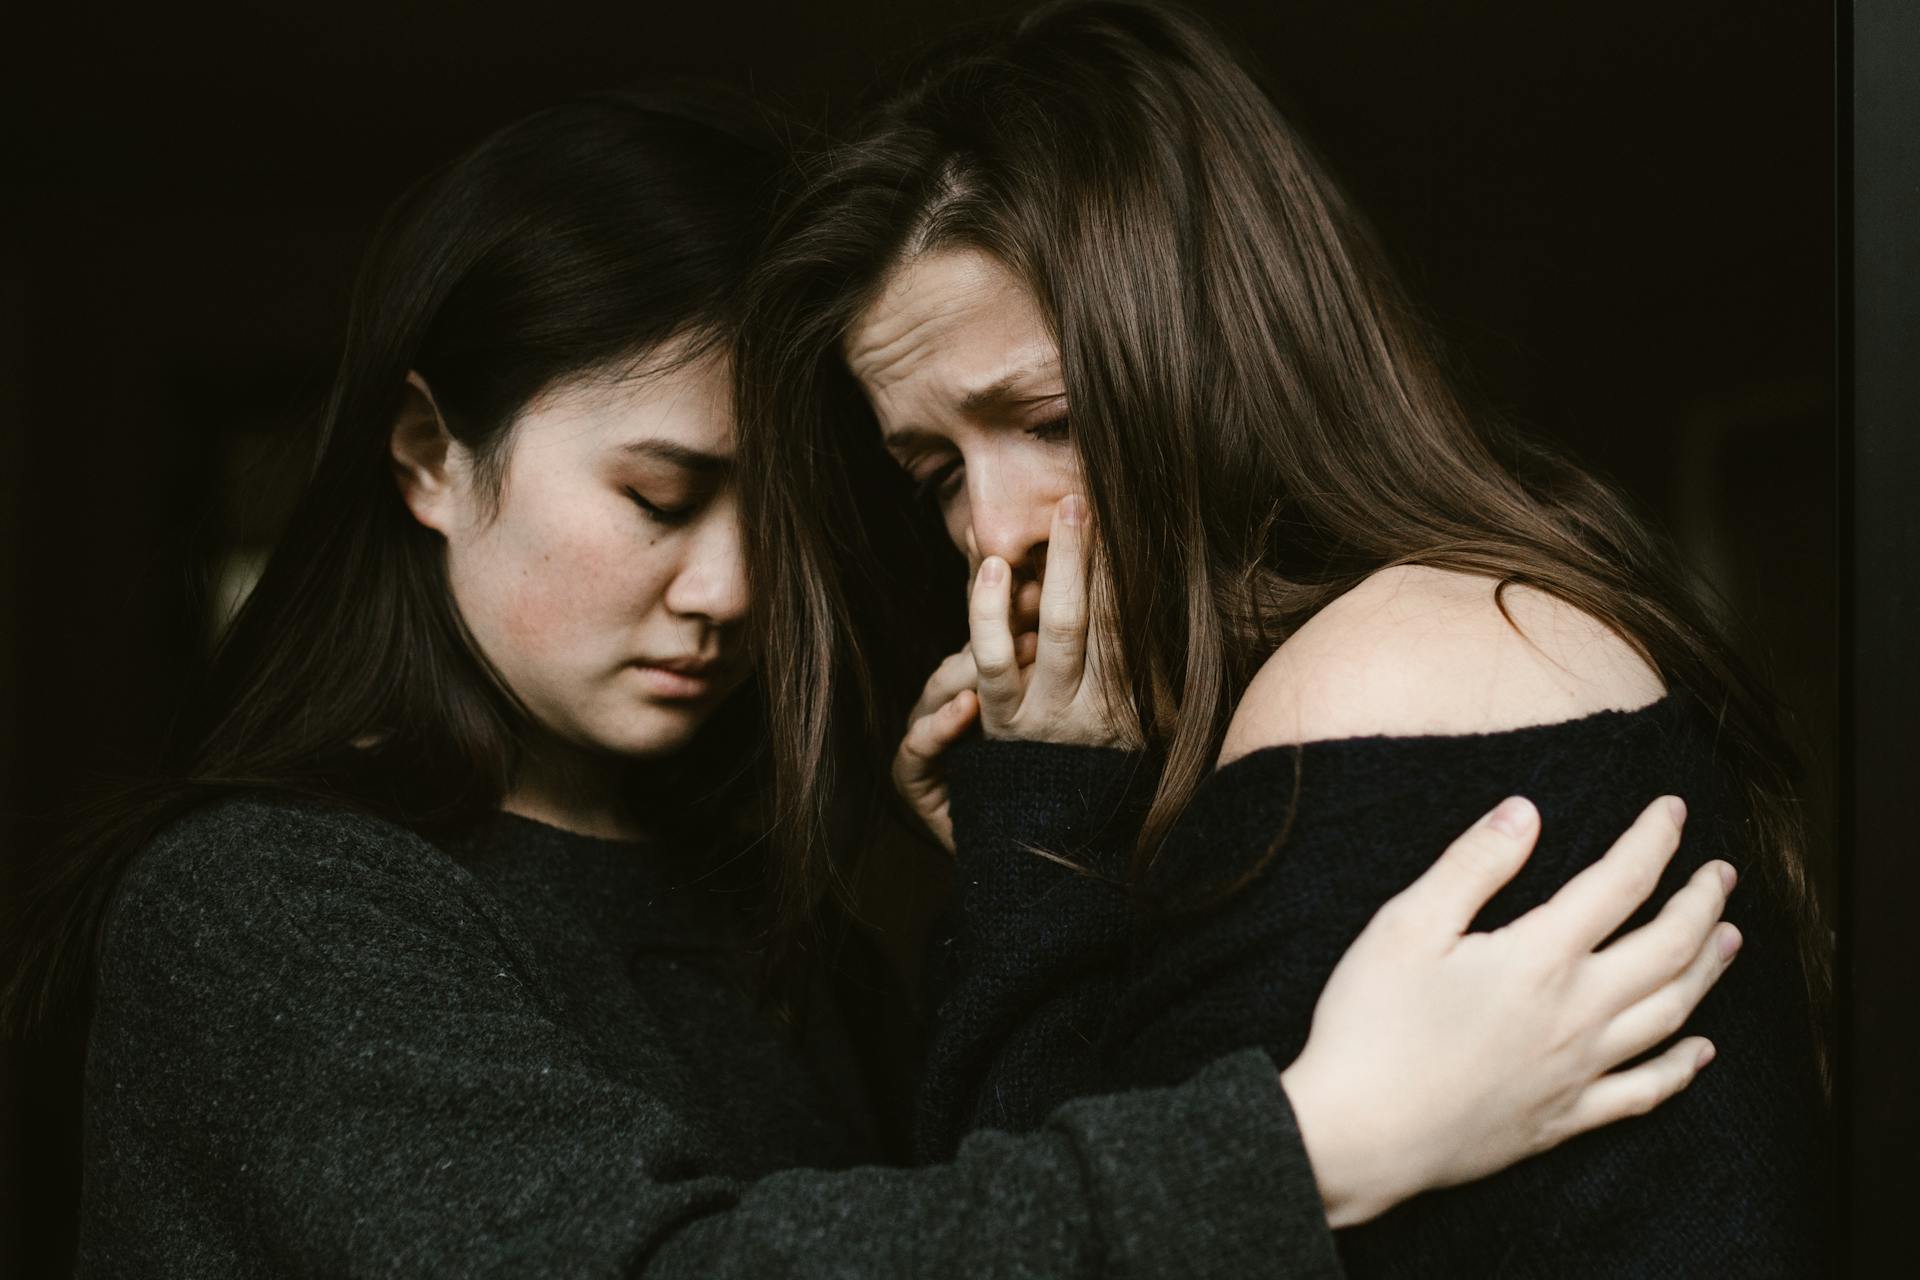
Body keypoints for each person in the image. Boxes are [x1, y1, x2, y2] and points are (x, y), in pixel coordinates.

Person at [6, 87, 1736, 1280]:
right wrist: (1314, 1141)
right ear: (425, 458)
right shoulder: (260, 907)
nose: (739, 588)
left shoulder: (768, 914)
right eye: (660, 496)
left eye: (800, 510)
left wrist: (1034, 844)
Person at [734, 1, 1830, 1273]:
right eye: (934, 471)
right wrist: (1046, 833)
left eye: (1047, 418)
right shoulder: (1479, 618)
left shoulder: (1387, 680)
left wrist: (1031, 848)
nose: (993, 531)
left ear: (1220, 354)